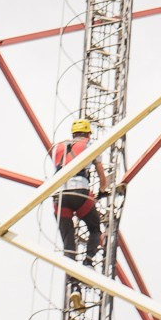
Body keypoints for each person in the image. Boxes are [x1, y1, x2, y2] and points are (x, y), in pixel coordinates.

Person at [51, 117, 107, 274]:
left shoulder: (59, 147)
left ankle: (73, 280)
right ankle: (88, 262)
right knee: (95, 229)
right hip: (80, 192)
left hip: (59, 196)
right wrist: (102, 191)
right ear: (88, 134)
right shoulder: (89, 145)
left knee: (68, 239)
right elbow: (101, 175)